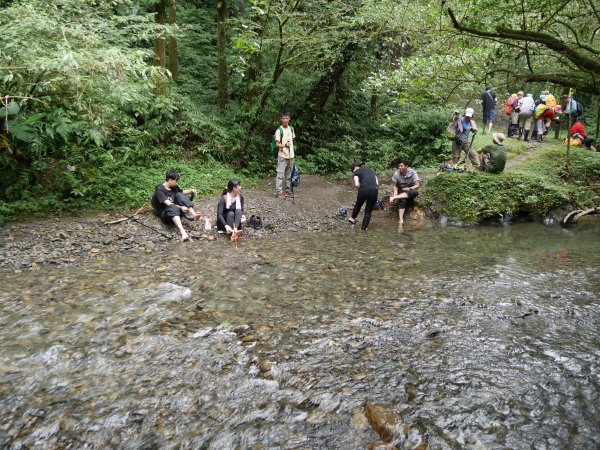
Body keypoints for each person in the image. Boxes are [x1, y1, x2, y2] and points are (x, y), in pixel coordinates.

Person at [151, 170, 200, 241]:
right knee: (173, 206)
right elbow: (168, 204)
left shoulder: (174, 186)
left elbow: (181, 192)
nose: (177, 182)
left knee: (179, 195)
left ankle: (194, 215)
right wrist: (181, 207)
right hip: (167, 215)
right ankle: (183, 232)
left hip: (177, 213)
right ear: (170, 180)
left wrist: (191, 190)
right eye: (176, 181)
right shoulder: (159, 189)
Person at [348, 162, 379, 230]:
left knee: (358, 204)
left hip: (363, 190)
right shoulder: (371, 171)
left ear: (355, 168)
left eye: (353, 171)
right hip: (374, 191)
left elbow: (356, 184)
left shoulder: (356, 172)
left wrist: (360, 190)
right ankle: (363, 229)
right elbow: (377, 183)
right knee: (368, 211)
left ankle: (352, 218)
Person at [389, 158, 420, 224]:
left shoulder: (413, 173)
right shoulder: (396, 174)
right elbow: (395, 185)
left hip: (410, 189)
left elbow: (417, 185)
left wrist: (410, 188)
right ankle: (401, 219)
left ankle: (395, 197)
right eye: (399, 166)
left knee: (415, 192)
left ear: (406, 166)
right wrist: (395, 193)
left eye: (401, 166)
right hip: (401, 189)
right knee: (402, 200)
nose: (399, 167)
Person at [274, 111, 295, 198]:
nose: (285, 120)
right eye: (283, 118)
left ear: (289, 119)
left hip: (291, 156)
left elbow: (292, 140)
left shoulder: (291, 129)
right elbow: (277, 144)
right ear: (281, 119)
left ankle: (288, 190)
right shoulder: (279, 130)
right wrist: (285, 145)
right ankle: (279, 192)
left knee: (289, 175)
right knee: (280, 175)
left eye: (287, 118)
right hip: (282, 156)